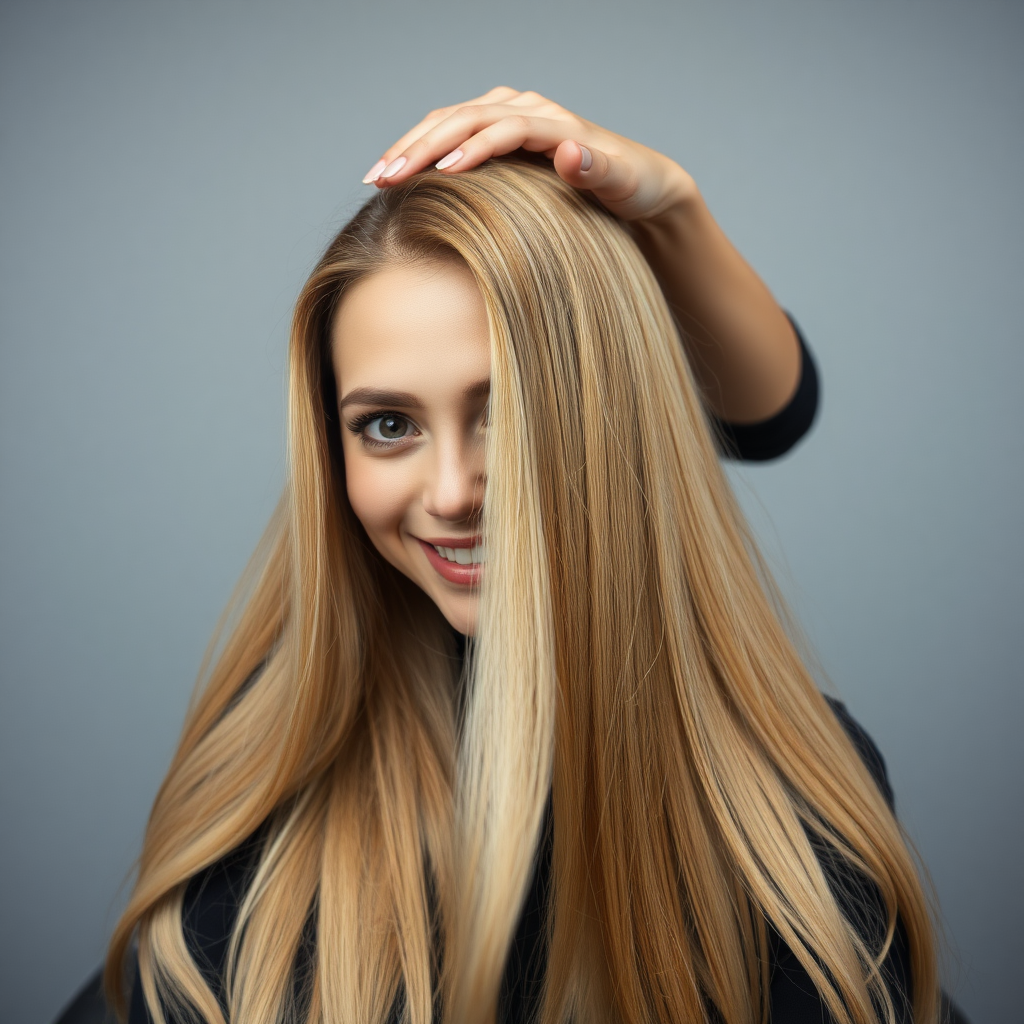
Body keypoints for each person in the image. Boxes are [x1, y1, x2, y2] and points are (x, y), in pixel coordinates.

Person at [100, 89, 942, 1024]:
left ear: (616, 412)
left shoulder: (790, 815)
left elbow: (777, 408)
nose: (454, 491)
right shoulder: (267, 811)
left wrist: (674, 206)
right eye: (387, 425)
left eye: (505, 410)